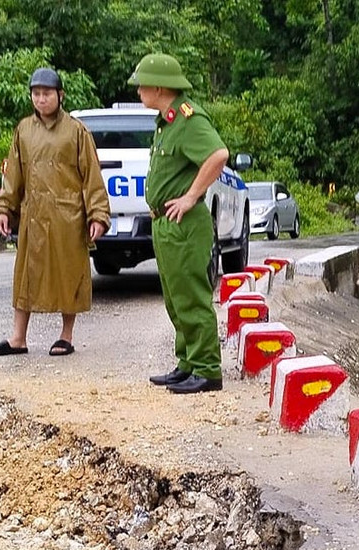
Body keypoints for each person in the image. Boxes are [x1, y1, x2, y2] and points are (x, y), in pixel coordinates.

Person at [0, 67, 110, 358]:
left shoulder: (76, 131)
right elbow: (13, 175)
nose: (41, 99)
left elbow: (91, 176)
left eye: (47, 94)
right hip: (33, 215)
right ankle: (18, 338)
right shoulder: (23, 130)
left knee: (69, 274)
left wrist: (97, 214)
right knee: (25, 276)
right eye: (36, 94)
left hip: (68, 216)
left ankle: (66, 336)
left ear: (60, 95)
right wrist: (5, 208)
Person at [128, 53, 229, 395]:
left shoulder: (188, 118)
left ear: (159, 87)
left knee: (191, 296)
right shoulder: (167, 122)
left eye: (142, 85)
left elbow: (218, 155)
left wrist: (190, 196)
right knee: (175, 298)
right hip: (165, 223)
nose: (138, 90)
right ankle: (188, 363)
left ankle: (207, 369)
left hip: (185, 222)